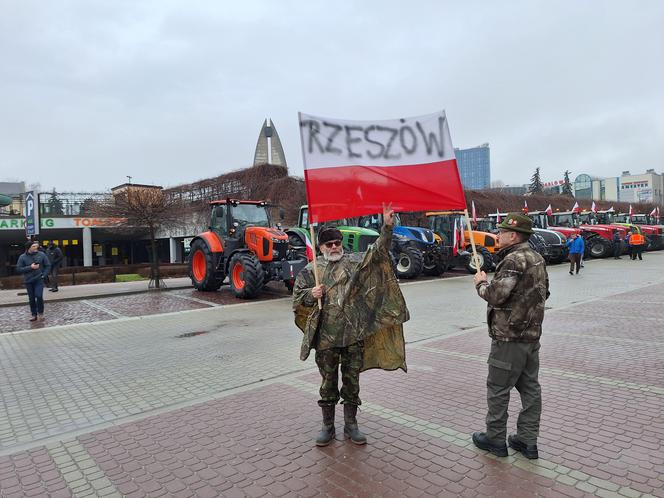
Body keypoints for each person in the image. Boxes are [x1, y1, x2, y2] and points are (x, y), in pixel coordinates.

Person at [293, 203, 409, 447]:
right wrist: (310, 295)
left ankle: (351, 425)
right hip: (326, 339)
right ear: (321, 246)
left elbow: (378, 253)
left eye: (337, 243)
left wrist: (387, 227)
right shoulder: (310, 271)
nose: (334, 247)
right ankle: (327, 426)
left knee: (352, 381)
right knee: (327, 383)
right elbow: (297, 302)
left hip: (353, 336)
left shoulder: (354, 263)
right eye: (329, 244)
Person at [472, 213, 549, 459]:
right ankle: (527, 441)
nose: (497, 235)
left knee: (498, 389)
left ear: (513, 235)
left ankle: (495, 439)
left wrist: (481, 283)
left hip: (508, 339)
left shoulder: (513, 260)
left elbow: (496, 295)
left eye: (501, 231)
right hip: (531, 337)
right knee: (530, 389)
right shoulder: (537, 258)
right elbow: (544, 293)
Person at [16, 240, 51, 321]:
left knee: (39, 296)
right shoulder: (22, 257)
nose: (36, 247)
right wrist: (30, 267)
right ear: (29, 248)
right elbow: (18, 269)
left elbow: (48, 265)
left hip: (39, 279)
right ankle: (33, 314)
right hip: (28, 281)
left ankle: (41, 313)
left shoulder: (41, 254)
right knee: (31, 298)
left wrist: (44, 275)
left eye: (36, 246)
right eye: (34, 246)